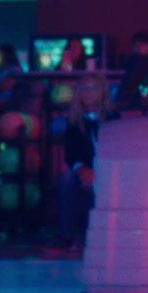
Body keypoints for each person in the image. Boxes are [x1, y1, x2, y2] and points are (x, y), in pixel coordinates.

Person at [54, 73, 112, 250]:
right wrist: (81, 170)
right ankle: (67, 235)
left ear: (102, 92)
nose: (88, 92)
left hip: (110, 170)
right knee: (66, 179)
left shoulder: (113, 118)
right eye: (85, 88)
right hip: (85, 170)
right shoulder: (74, 122)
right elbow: (71, 154)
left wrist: (101, 171)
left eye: (94, 88)